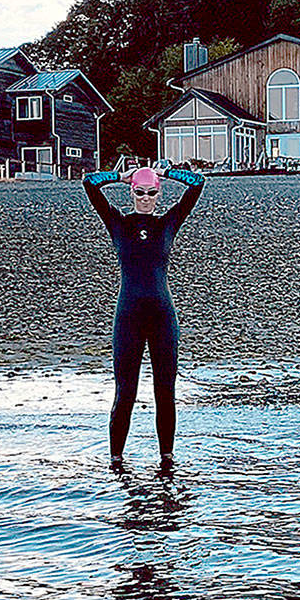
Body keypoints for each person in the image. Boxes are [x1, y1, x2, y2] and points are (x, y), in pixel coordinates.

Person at [83, 164, 205, 465]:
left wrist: (165, 173)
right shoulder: (118, 224)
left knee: (165, 391)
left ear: (158, 194)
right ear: (132, 192)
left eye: (151, 193)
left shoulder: (167, 224)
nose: (146, 198)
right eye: (140, 192)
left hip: (163, 317)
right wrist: (121, 176)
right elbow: (89, 184)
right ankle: (116, 462)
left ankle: (167, 460)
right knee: (125, 392)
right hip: (129, 318)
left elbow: (197, 184)